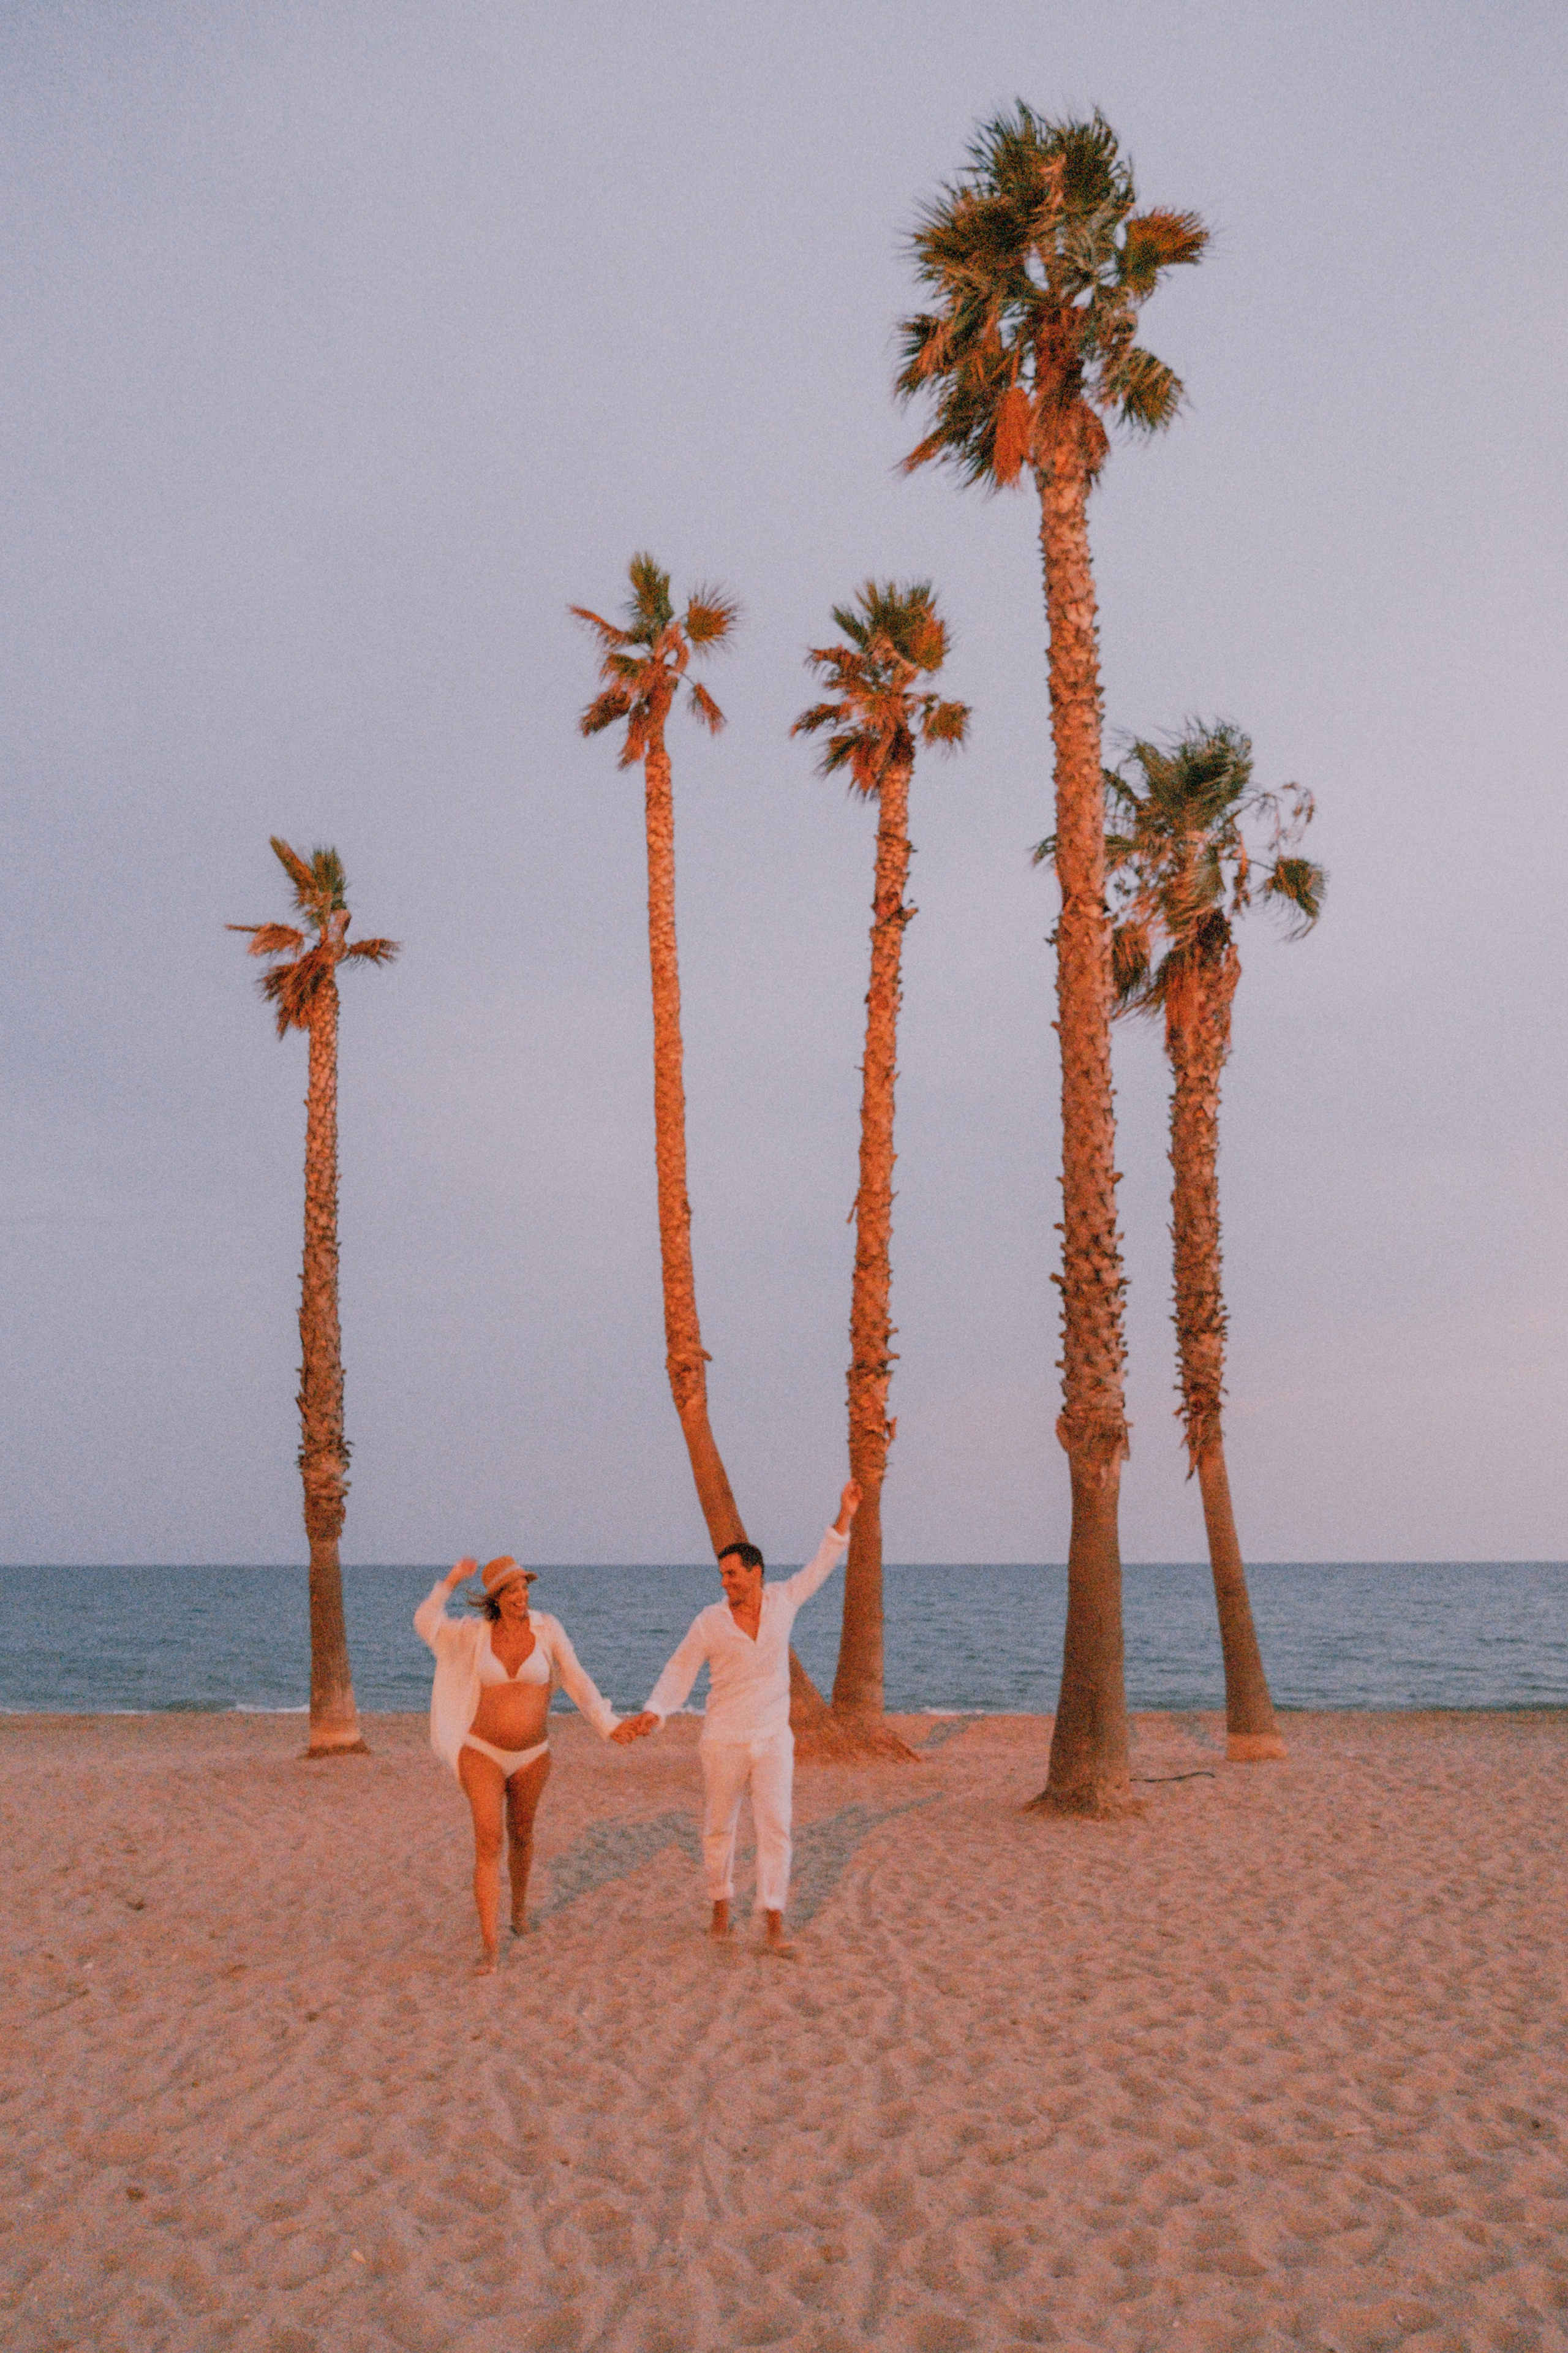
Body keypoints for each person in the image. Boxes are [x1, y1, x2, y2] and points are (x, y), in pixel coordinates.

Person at [611, 1480, 861, 1954]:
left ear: (756, 1573)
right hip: (723, 1740)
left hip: (772, 1740)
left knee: (776, 1827)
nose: (724, 1583)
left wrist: (844, 1513)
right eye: (722, 1576)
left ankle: (772, 1922)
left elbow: (822, 1565)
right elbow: (680, 1667)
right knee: (718, 1828)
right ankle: (721, 1906)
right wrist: (655, 1709)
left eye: (731, 1574)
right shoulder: (710, 1621)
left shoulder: (784, 1602)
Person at [415, 1555, 619, 1972]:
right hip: (482, 1751)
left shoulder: (547, 1627)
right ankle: (490, 1947)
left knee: (522, 1834)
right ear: (496, 1598)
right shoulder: (474, 1633)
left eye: (524, 1587)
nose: (521, 1595)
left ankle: (519, 1912)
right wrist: (452, 1579)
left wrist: (608, 1724)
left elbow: (575, 1678)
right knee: (489, 1841)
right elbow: (425, 1622)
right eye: (511, 1590)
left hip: (533, 1755)